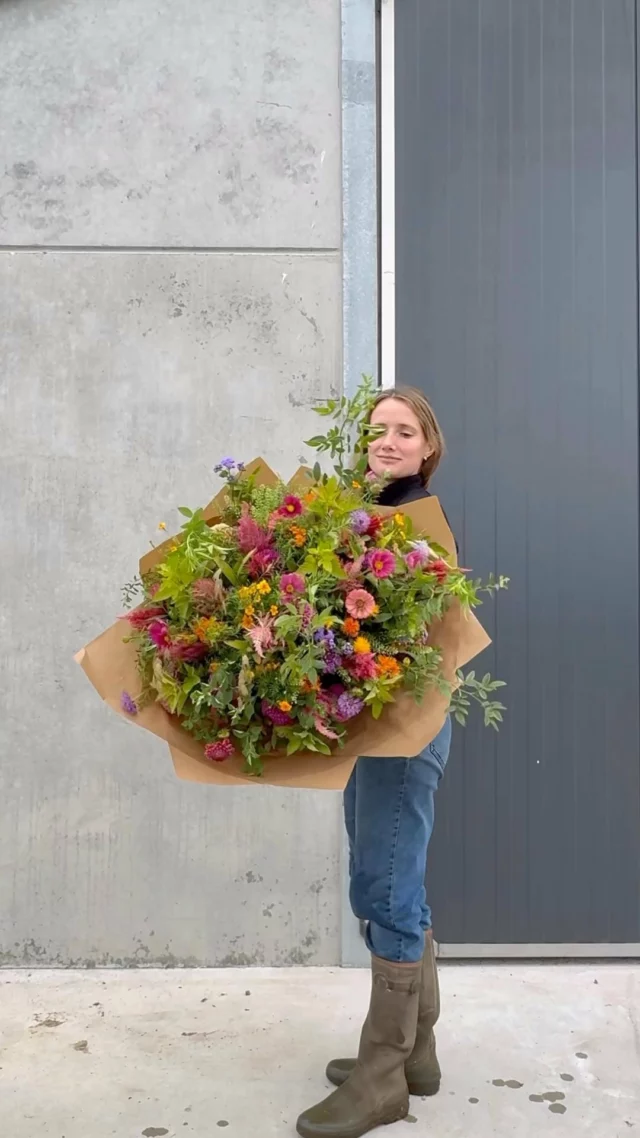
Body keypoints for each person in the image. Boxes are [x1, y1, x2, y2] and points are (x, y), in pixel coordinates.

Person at [297, 387, 453, 1138]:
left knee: (385, 888)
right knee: (387, 877)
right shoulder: (366, 517)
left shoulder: (420, 522)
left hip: (407, 730)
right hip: (376, 729)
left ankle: (383, 1077)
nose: (387, 441)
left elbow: (420, 636)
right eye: (377, 430)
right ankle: (415, 1054)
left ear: (428, 447)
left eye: (404, 431)